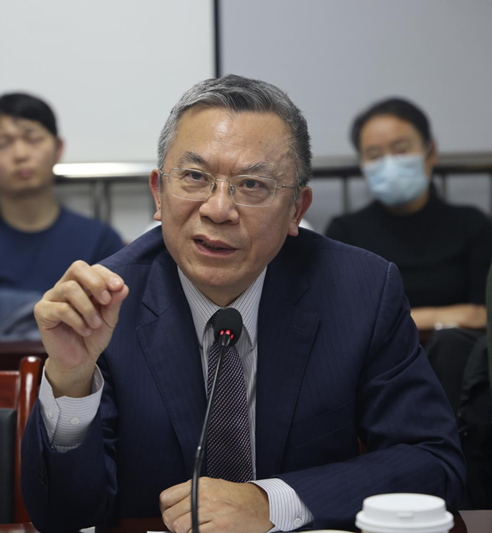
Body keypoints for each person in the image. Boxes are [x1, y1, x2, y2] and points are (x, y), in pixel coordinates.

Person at [21, 76, 465, 533]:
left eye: (252, 184)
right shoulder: (106, 305)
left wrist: (273, 502)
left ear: (296, 209)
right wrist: (72, 381)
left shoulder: (360, 292)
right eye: (195, 177)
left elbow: (433, 462)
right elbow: (64, 517)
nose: (217, 209)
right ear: (158, 193)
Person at [325, 97, 492, 332]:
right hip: (379, 353)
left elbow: (481, 315)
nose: (390, 164)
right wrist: (438, 317)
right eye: (374, 155)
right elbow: (348, 319)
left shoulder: (472, 225)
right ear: (362, 165)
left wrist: (392, 320)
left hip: (458, 349)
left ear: (430, 152)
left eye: (402, 150)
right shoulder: (344, 233)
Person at [0, 93, 124, 295]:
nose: (20, 154)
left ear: (58, 148)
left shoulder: (98, 241)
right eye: (3, 143)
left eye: (33, 139)